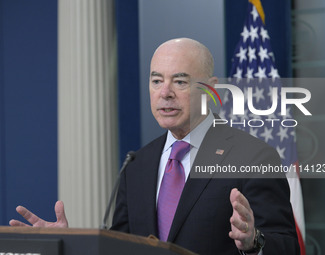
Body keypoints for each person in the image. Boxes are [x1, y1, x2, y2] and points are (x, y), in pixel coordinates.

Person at [10, 38, 300, 255]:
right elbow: (119, 247)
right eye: (157, 80)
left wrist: (253, 242)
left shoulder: (253, 156)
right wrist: (72, 243)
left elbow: (286, 245)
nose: (165, 93)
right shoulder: (137, 164)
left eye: (180, 81)